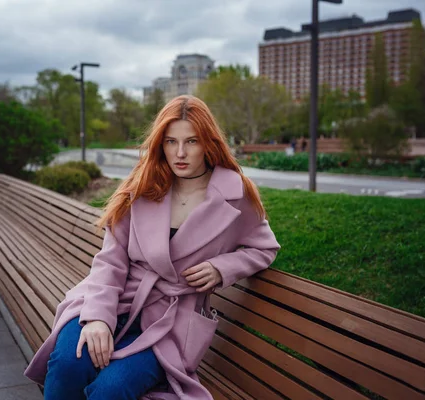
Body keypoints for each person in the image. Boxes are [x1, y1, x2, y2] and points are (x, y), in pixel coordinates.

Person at [24, 95, 281, 400]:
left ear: (209, 143)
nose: (180, 153)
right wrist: (97, 318)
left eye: (192, 141)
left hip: (170, 323)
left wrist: (222, 268)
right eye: (171, 142)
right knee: (68, 364)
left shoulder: (235, 194)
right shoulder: (145, 184)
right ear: (161, 143)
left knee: (111, 389)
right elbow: (112, 259)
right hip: (114, 298)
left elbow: (264, 248)